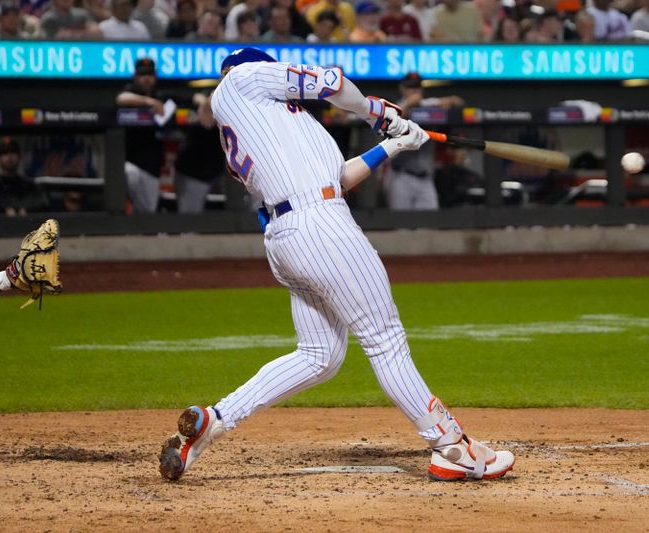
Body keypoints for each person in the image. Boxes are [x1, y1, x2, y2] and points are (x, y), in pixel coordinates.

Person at [158, 48, 514, 483]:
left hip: (290, 237)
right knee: (385, 341)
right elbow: (331, 82)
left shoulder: (268, 123)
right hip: (321, 229)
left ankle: (215, 419)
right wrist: (375, 111)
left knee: (319, 356)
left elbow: (335, 180)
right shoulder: (245, 77)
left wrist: (392, 144)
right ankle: (451, 447)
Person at [385, 72, 464, 210]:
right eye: (410, 87)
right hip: (402, 176)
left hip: (426, 178)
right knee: (401, 227)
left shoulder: (429, 104)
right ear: (402, 88)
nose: (415, 90)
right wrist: (408, 105)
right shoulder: (394, 106)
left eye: (417, 86)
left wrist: (449, 101)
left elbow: (459, 102)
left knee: (430, 226)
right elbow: (390, 119)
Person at [116, 58, 167, 213]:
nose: (146, 78)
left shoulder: (160, 94)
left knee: (148, 212)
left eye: (150, 74)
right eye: (143, 74)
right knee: (127, 172)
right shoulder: (131, 91)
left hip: (152, 168)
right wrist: (149, 102)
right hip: (132, 163)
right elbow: (120, 98)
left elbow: (186, 99)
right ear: (135, 76)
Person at [172, 93, 226, 213]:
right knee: (190, 216)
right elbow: (195, 97)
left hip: (216, 172)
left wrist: (204, 103)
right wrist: (202, 105)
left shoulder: (223, 111)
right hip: (192, 174)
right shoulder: (193, 113)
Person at [0, 137, 47, 217]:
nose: (10, 156)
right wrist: (3, 211)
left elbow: (44, 205)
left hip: (26, 227)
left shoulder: (30, 186)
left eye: (13, 152)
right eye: (5, 153)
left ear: (19, 157)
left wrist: (27, 211)